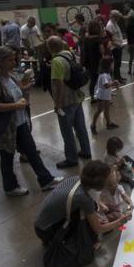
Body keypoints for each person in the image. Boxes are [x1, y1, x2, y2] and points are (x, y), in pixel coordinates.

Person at [0, 46, 62, 196]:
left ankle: (46, 180)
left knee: (31, 152)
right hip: (6, 128)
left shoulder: (10, 77)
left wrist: (25, 90)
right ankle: (10, 187)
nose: (14, 62)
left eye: (14, 59)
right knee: (7, 157)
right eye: (10, 60)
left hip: (20, 123)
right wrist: (15, 105)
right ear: (0, 62)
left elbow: (17, 94)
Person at [34, 161, 132, 250]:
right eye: (107, 184)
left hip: (39, 223)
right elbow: (98, 229)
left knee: (92, 210)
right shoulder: (83, 198)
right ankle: (57, 240)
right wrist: (120, 221)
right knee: (90, 230)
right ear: (99, 187)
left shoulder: (76, 179)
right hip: (46, 231)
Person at [47, 36, 92, 168]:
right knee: (81, 127)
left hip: (66, 101)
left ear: (51, 48)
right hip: (77, 96)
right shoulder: (69, 55)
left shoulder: (56, 62)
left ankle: (71, 158)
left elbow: (59, 84)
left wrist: (58, 104)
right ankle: (86, 151)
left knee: (67, 131)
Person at [81, 20, 108, 101]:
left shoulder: (86, 38)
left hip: (89, 62)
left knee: (92, 81)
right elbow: (102, 51)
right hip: (98, 62)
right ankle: (103, 96)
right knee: (102, 80)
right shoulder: (98, 39)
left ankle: (92, 97)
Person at [91, 58, 120, 134]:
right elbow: (106, 85)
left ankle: (108, 123)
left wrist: (114, 84)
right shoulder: (103, 75)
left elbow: (109, 84)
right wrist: (114, 83)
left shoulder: (107, 74)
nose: (112, 66)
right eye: (111, 64)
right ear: (107, 65)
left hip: (106, 95)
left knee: (107, 110)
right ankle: (93, 125)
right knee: (99, 110)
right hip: (102, 95)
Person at [106, 10, 126, 83]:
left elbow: (117, 35)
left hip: (119, 46)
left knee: (118, 63)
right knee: (117, 63)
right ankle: (117, 78)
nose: (118, 18)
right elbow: (109, 38)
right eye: (117, 17)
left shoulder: (115, 23)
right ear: (113, 17)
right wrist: (117, 44)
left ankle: (119, 76)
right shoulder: (109, 25)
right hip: (115, 47)